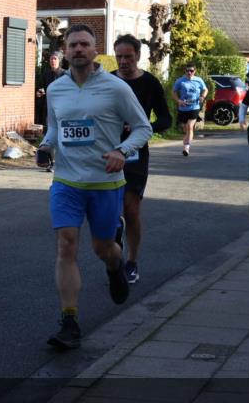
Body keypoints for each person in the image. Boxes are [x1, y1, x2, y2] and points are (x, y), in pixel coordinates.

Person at [36, 24, 152, 350]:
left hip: (105, 183)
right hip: (66, 181)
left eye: (84, 44)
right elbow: (54, 129)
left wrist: (122, 151)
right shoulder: (56, 89)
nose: (78, 49)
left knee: (103, 248)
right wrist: (45, 147)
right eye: (73, 45)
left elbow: (142, 128)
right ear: (65, 50)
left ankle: (116, 266)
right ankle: (69, 320)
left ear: (95, 49)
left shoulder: (116, 88)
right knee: (66, 245)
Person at [111, 35, 172, 284]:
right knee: (109, 211)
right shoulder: (107, 81)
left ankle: (132, 262)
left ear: (138, 55)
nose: (123, 61)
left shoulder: (150, 83)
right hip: (108, 151)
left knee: (131, 208)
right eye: (119, 57)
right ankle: (115, 238)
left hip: (135, 155)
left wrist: (144, 127)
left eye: (128, 56)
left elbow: (166, 119)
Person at [37, 51, 66, 172]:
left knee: (60, 135)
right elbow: (41, 88)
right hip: (48, 109)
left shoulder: (65, 74)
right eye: (51, 59)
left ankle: (60, 161)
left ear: (59, 60)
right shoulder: (46, 74)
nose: (52, 61)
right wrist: (40, 92)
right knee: (49, 134)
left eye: (55, 59)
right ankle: (52, 162)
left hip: (62, 110)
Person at [172, 64, 207, 156]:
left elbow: (205, 89)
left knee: (190, 127)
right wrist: (179, 101)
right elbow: (174, 92)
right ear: (185, 71)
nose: (189, 72)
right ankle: (186, 141)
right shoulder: (180, 81)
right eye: (187, 70)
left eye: (191, 71)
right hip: (183, 108)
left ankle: (186, 148)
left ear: (194, 71)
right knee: (185, 129)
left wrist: (202, 96)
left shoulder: (199, 80)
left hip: (194, 107)